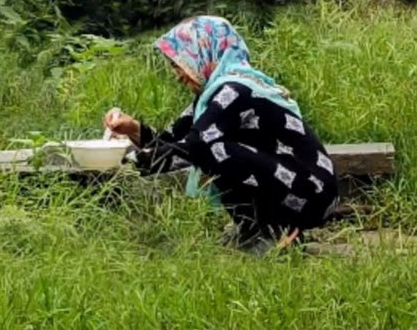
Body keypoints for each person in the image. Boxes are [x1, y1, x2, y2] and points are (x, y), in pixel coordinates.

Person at [104, 16, 339, 253]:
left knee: (213, 149)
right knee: (210, 147)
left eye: (180, 64)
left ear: (205, 52)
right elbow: (172, 142)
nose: (178, 75)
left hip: (311, 192)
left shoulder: (235, 90)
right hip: (295, 186)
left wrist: (127, 161)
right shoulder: (212, 96)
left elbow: (195, 145)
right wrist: (132, 128)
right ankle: (254, 229)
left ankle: (275, 230)